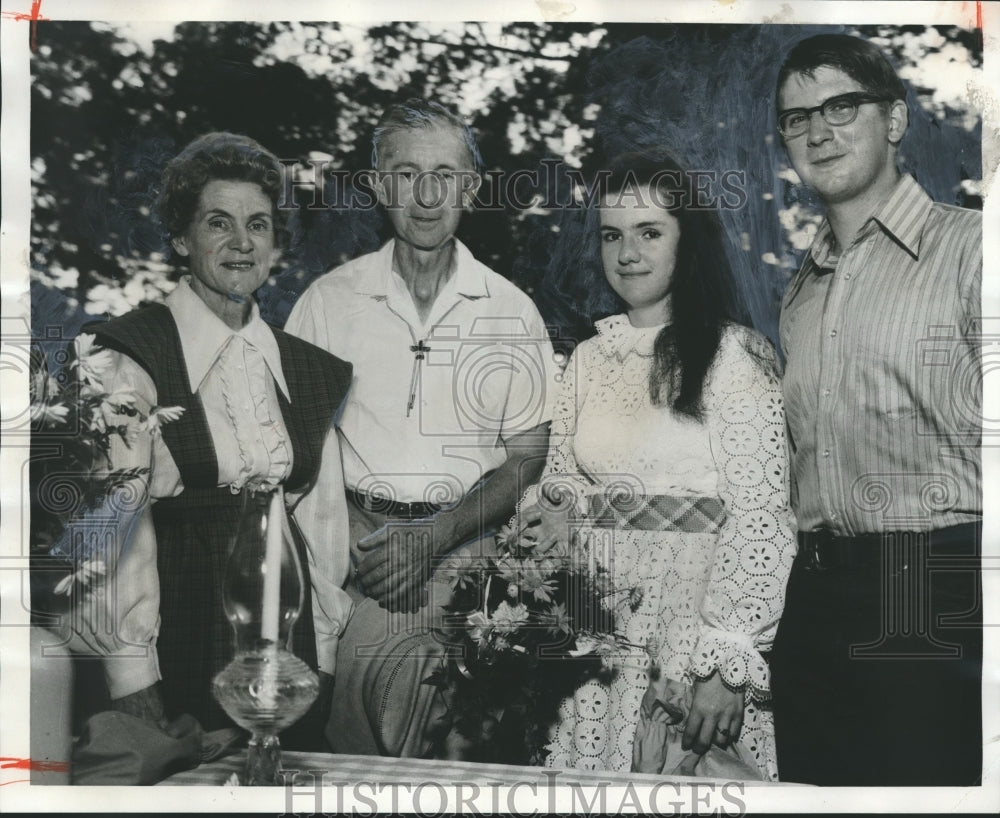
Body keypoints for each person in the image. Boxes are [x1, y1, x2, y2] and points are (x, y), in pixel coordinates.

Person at [285, 99, 557, 756]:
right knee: (345, 760)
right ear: (379, 186)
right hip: (354, 564)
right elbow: (291, 450)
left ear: (472, 185)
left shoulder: (510, 312)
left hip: (466, 564)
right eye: (407, 174)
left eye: (445, 174)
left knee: (451, 759)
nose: (428, 195)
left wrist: (436, 535)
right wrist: (349, 543)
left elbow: (526, 457)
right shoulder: (328, 302)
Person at [64, 132, 354, 737]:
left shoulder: (311, 371)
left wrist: (321, 656)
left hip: (288, 626)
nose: (242, 243)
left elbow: (323, 526)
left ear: (277, 243)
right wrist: (132, 679)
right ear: (180, 237)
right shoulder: (131, 355)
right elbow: (114, 533)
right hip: (182, 622)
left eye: (259, 225)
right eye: (218, 223)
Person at [531, 153, 796, 780]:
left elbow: (762, 517)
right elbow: (558, 485)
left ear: (687, 240)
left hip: (689, 630)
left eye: (651, 232)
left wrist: (725, 660)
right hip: (593, 634)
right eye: (612, 235)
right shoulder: (589, 359)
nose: (628, 253)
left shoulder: (735, 358)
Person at [770, 34, 983, 786]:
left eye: (840, 106)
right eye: (797, 119)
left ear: (893, 120)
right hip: (817, 596)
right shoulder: (801, 293)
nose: (817, 131)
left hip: (936, 587)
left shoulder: (975, 252)